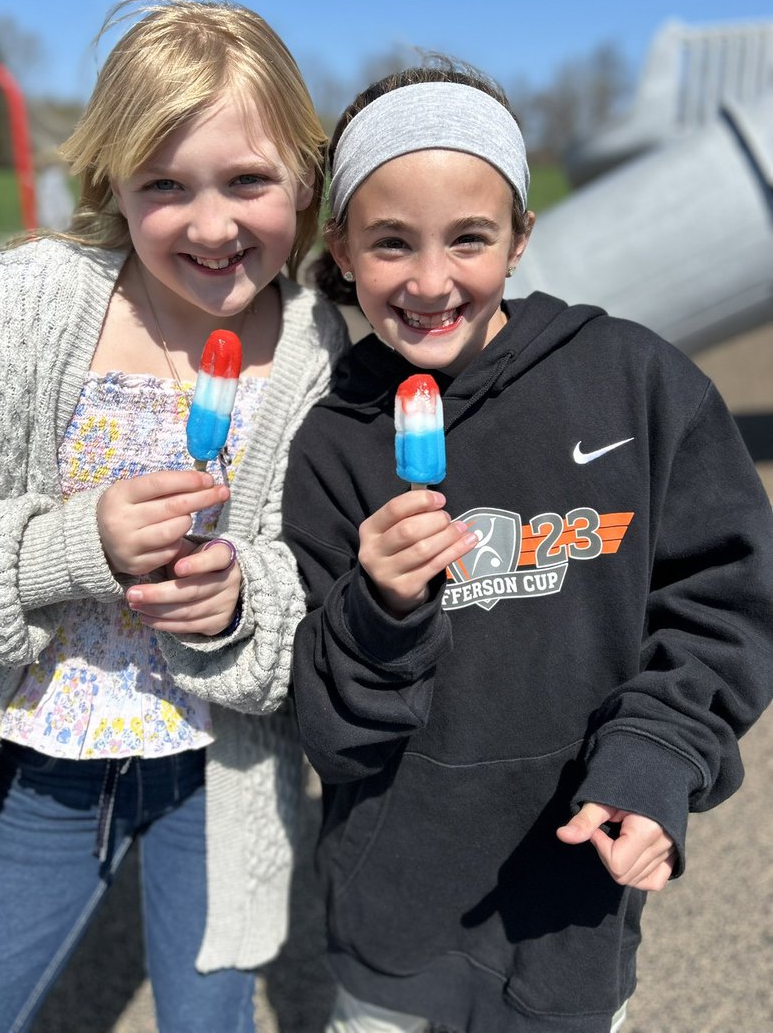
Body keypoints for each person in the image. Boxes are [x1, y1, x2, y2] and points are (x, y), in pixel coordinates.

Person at [0, 0, 348, 1032]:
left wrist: (237, 607)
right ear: (111, 185)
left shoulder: (327, 358)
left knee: (208, 1018)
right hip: (38, 768)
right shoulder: (20, 307)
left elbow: (335, 599)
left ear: (306, 182)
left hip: (219, 777)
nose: (214, 223)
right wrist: (75, 544)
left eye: (249, 181)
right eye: (166, 185)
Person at [282, 62, 773, 1033]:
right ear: (339, 246)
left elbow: (725, 604)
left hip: (576, 902)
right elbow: (328, 725)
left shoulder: (636, 385)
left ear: (521, 237)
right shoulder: (334, 441)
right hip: (395, 913)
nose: (430, 282)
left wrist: (657, 761)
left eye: (469, 238)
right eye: (390, 244)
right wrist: (379, 609)